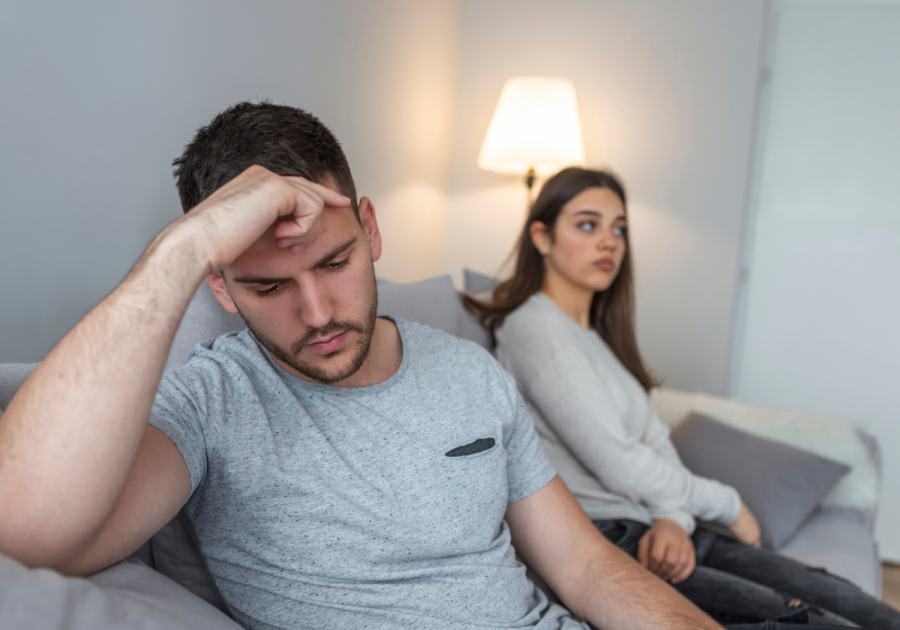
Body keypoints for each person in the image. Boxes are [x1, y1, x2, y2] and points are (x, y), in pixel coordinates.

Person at [0, 102, 729, 630]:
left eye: (335, 261)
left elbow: (585, 567)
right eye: (267, 285)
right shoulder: (210, 400)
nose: (317, 312)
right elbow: (25, 528)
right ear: (219, 286)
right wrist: (180, 252)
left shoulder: (473, 373)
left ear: (371, 229)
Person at [465, 166, 900, 628]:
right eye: (588, 225)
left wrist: (675, 516)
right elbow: (619, 460)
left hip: (659, 527)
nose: (610, 241)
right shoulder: (535, 329)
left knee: (866, 611)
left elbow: (654, 439)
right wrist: (728, 504)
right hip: (612, 540)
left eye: (620, 229)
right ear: (542, 236)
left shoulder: (595, 338)